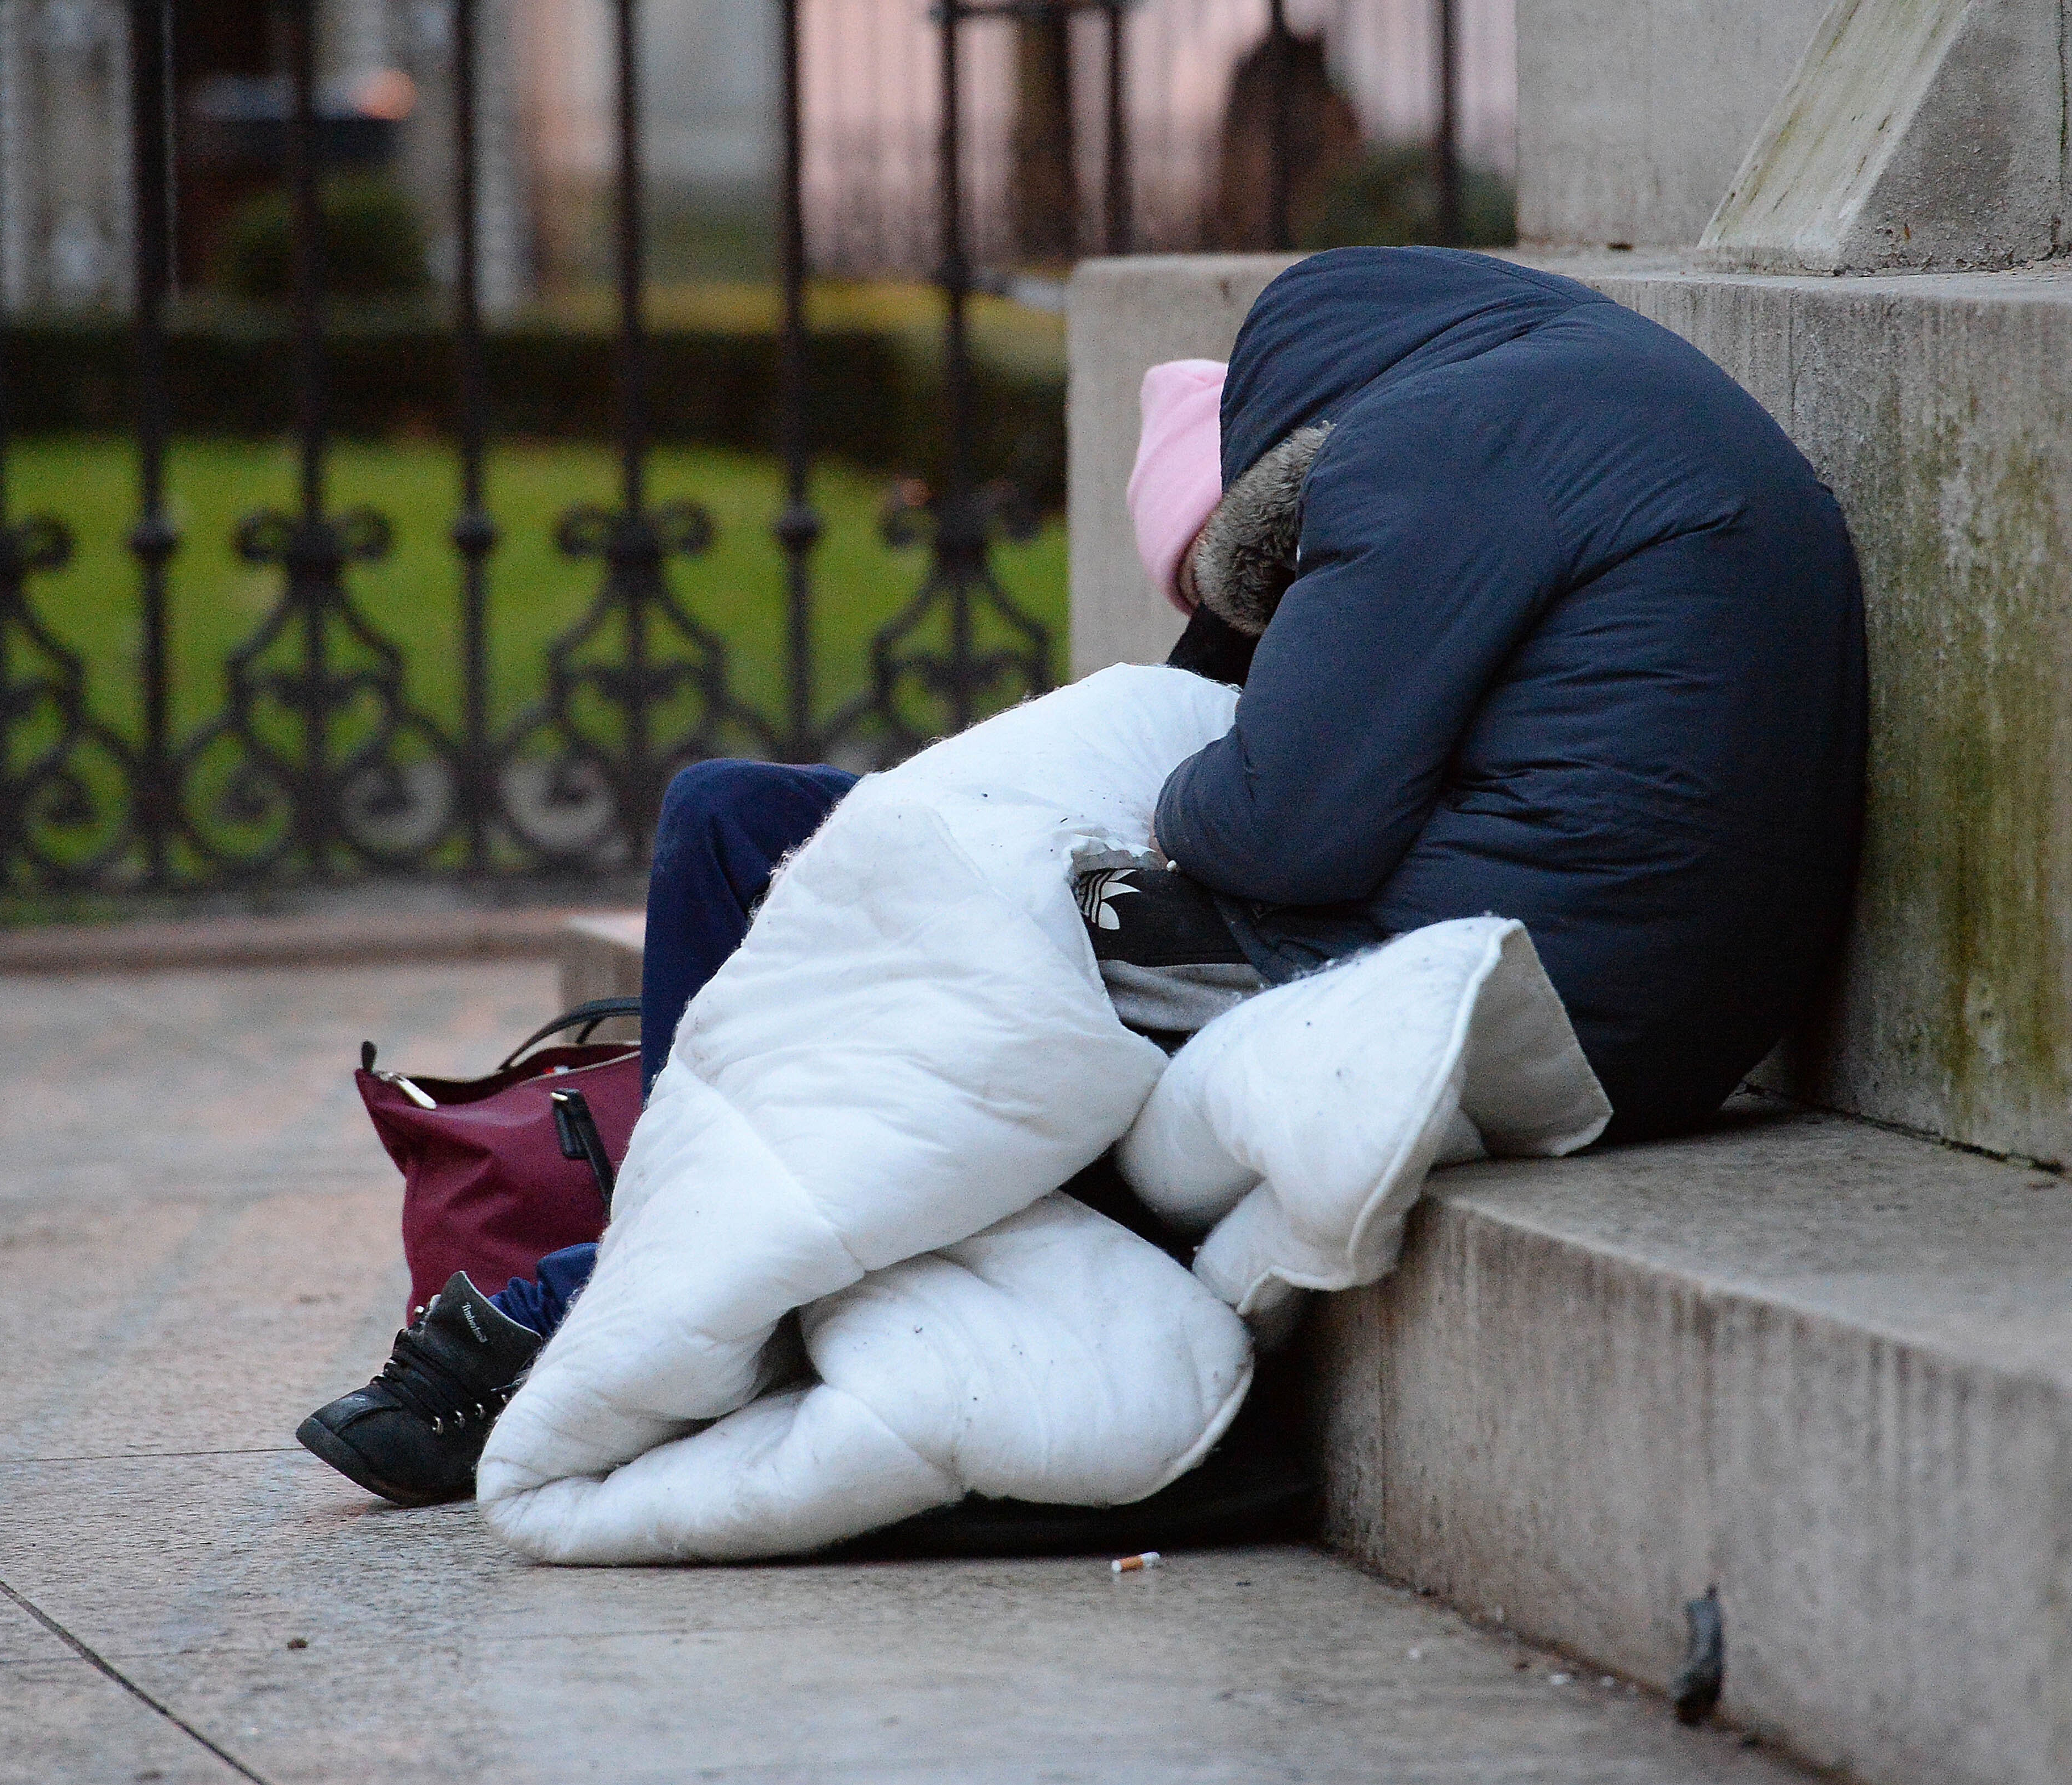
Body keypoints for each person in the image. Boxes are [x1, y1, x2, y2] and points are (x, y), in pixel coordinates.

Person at [298, 246, 1865, 1507]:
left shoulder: (1437, 448)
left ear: (1279, 479)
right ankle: (677, 1225)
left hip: (1505, 982)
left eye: (1259, 585)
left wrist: (1142, 790)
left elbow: (1275, 826)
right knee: (737, 817)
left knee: (963, 980)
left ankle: (583, 1304)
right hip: (1601, 978)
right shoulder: (1553, 406)